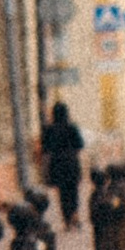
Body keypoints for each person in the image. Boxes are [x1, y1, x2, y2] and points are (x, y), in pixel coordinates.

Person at [40, 96, 86, 226]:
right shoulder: (72, 127)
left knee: (62, 193)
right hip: (72, 162)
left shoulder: (49, 129)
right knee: (73, 191)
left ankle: (66, 218)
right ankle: (75, 214)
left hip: (57, 164)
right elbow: (80, 145)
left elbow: (45, 148)